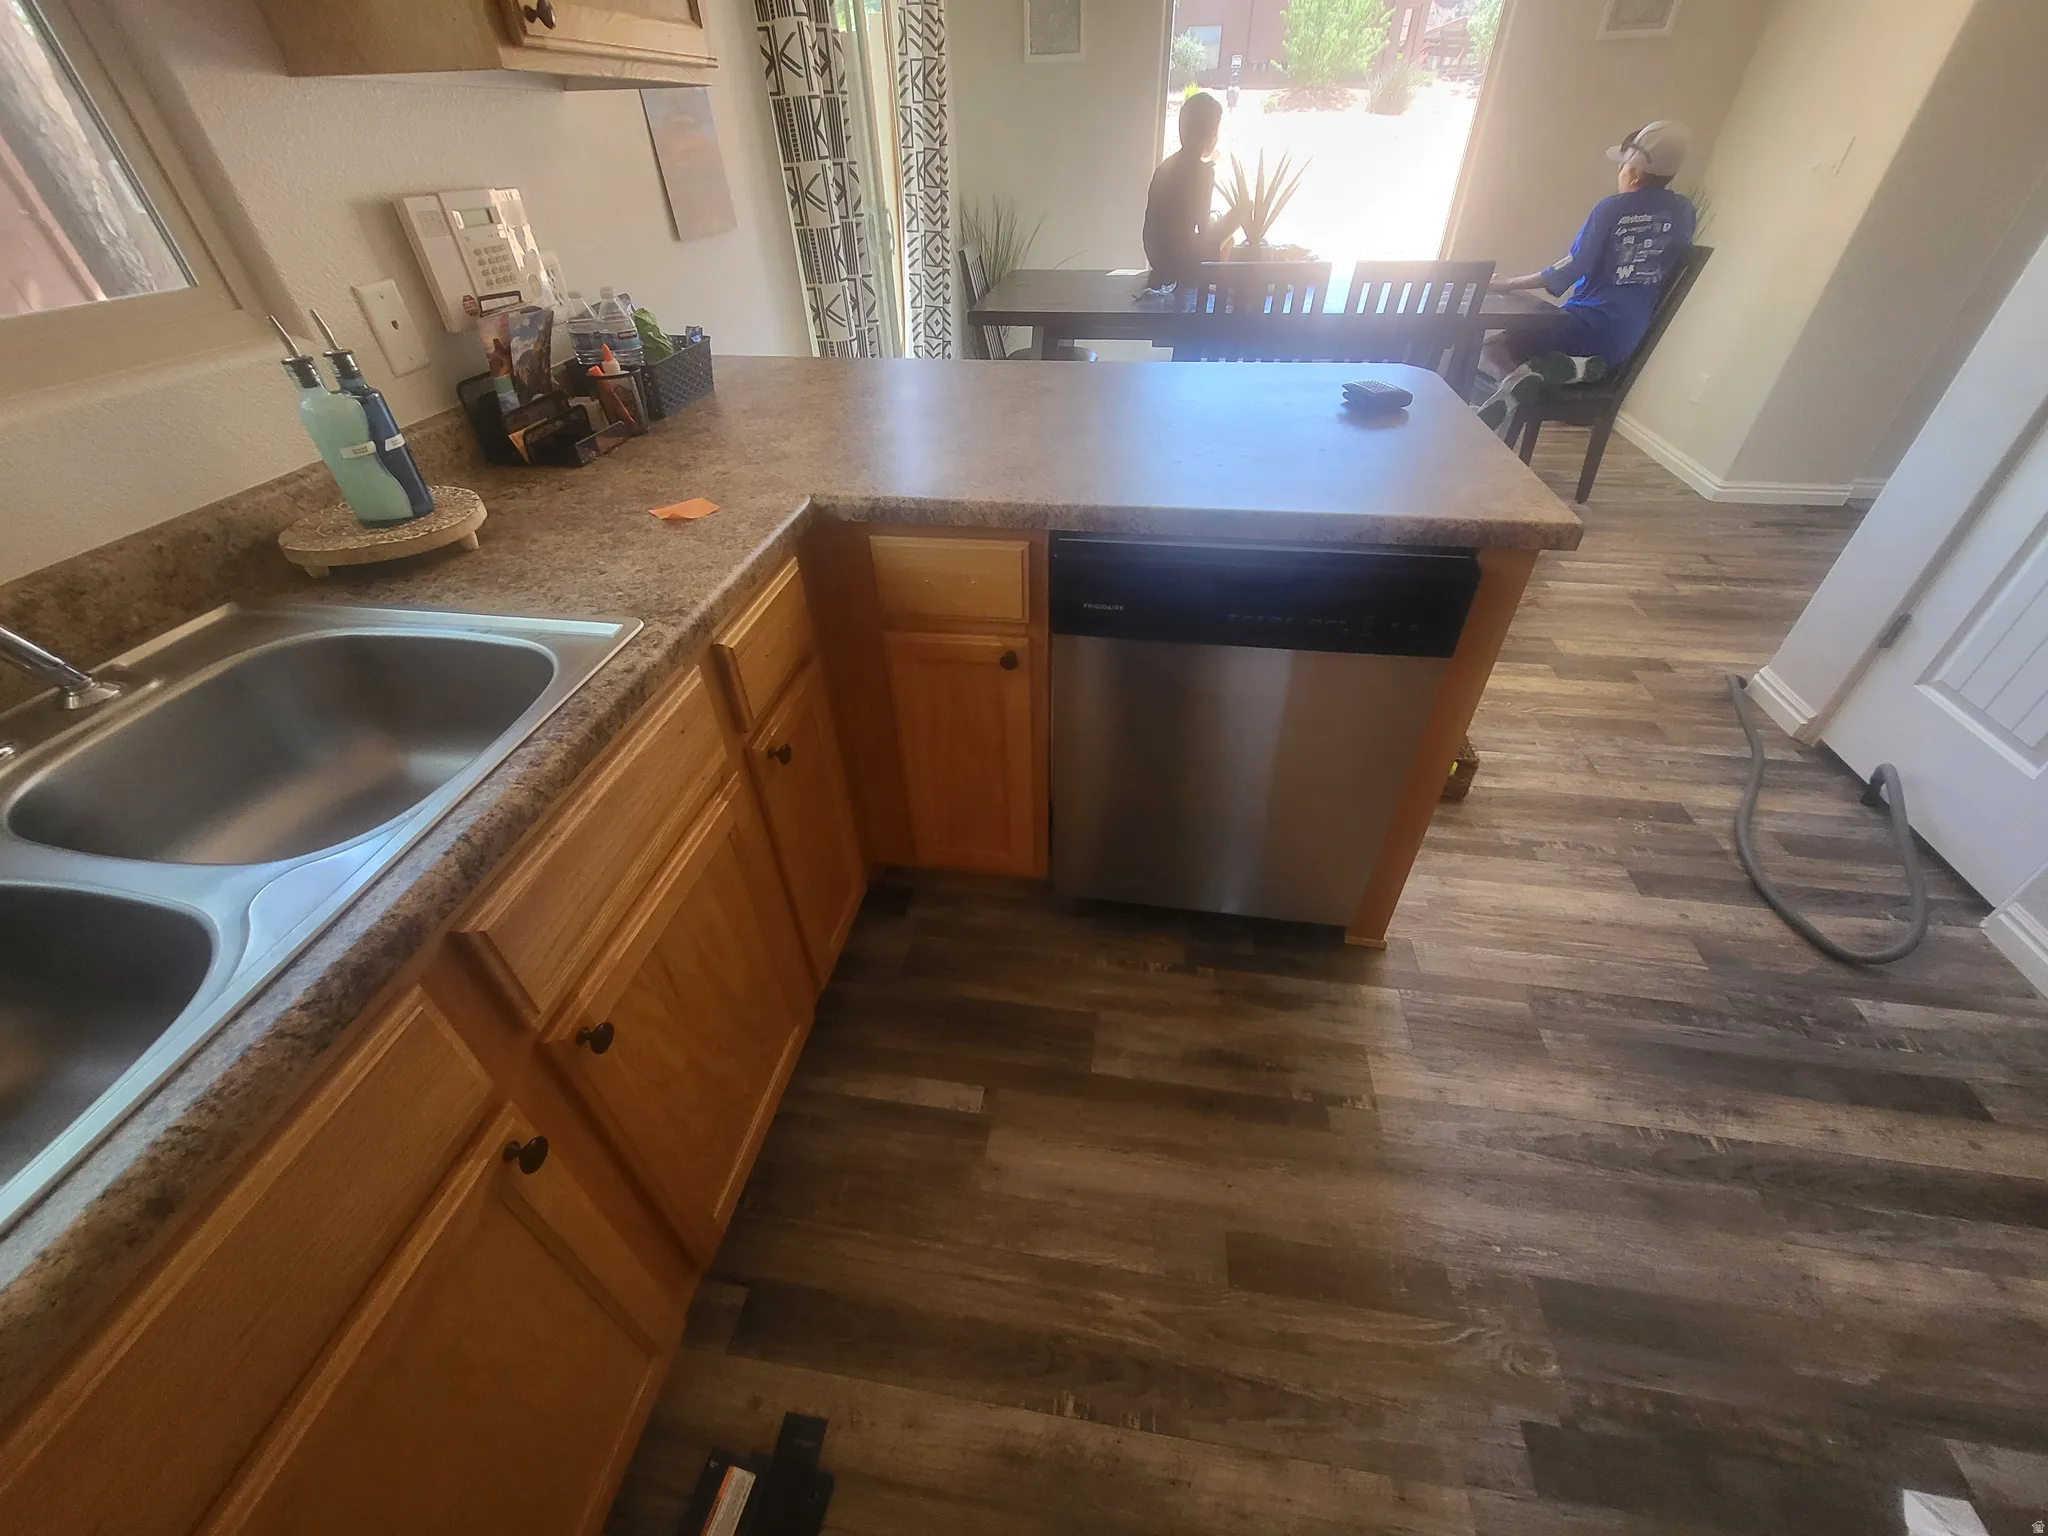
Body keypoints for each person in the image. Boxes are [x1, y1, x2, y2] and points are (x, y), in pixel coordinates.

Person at [1477, 121, 1696, 427]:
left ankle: (1518, 393)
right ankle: (1568, 369)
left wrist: (1507, 283)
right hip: (1623, 341)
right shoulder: (1684, 211)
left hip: (1587, 327)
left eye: (1622, 166)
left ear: (1633, 173)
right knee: (1525, 334)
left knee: (1489, 350)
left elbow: (1571, 268)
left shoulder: (1611, 208)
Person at [1142, 91, 1241, 292]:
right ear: (1211, 134)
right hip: (1182, 263)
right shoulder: (1203, 172)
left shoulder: (1165, 167)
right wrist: (1235, 218)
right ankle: (1219, 285)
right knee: (1232, 228)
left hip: (1157, 257)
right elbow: (1204, 229)